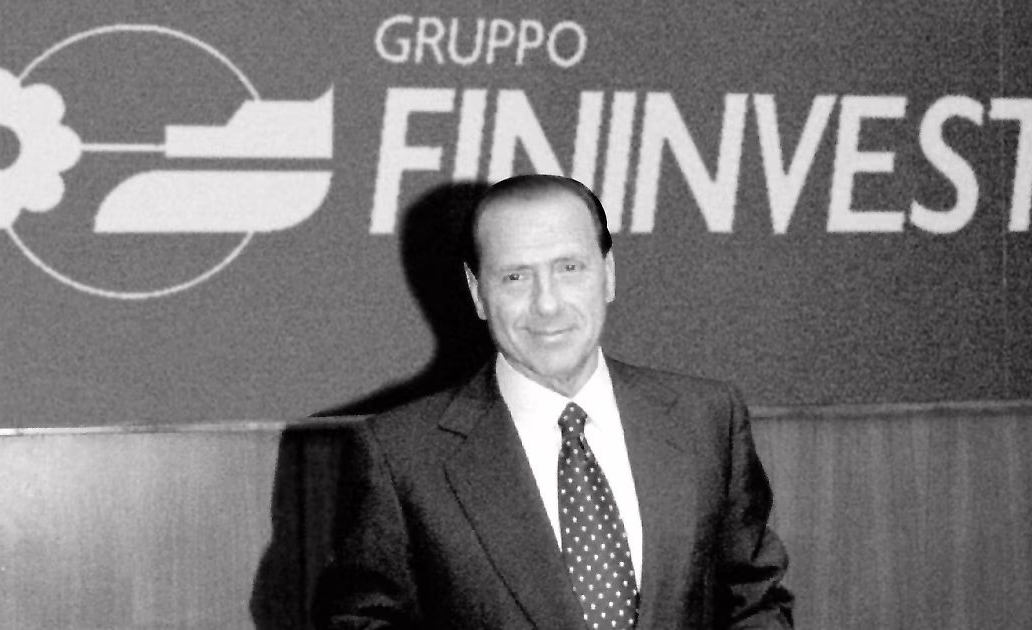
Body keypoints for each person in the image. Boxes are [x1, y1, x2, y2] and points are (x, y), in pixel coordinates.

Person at [313, 174, 793, 629]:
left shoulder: (707, 419)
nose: (547, 303)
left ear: (607, 274)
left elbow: (755, 602)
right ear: (478, 292)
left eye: (569, 268)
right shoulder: (400, 457)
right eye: (516, 277)